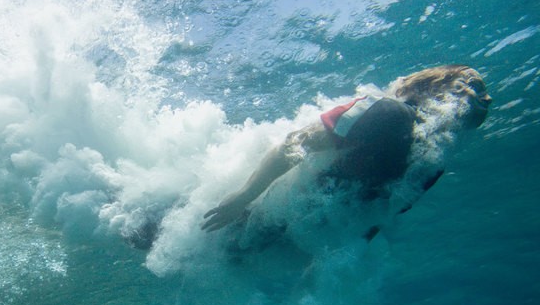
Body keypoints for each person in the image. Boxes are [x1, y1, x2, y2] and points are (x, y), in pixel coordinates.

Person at [201, 65, 492, 236]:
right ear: (439, 87)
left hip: (288, 232)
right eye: (475, 87)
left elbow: (375, 218)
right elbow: (296, 143)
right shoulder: (388, 112)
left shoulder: (431, 164)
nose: (488, 98)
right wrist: (242, 196)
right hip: (253, 210)